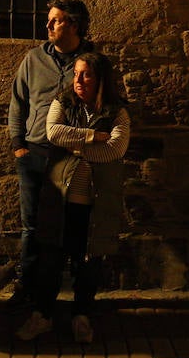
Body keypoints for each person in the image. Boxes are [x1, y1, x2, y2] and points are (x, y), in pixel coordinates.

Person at [16, 52, 130, 343]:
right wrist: (91, 138)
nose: (78, 80)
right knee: (50, 258)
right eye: (76, 74)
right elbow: (54, 132)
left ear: (100, 79)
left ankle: (81, 316)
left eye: (86, 75)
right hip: (60, 199)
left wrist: (75, 146)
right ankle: (43, 315)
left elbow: (115, 149)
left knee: (87, 261)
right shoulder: (63, 101)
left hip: (93, 202)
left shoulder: (117, 112)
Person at [8, 0, 93, 309]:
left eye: (55, 20)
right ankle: (25, 287)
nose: (47, 26)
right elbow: (18, 102)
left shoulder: (91, 62)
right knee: (32, 225)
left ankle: (72, 295)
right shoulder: (33, 59)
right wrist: (19, 145)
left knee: (74, 225)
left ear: (73, 24)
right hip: (34, 152)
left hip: (72, 156)